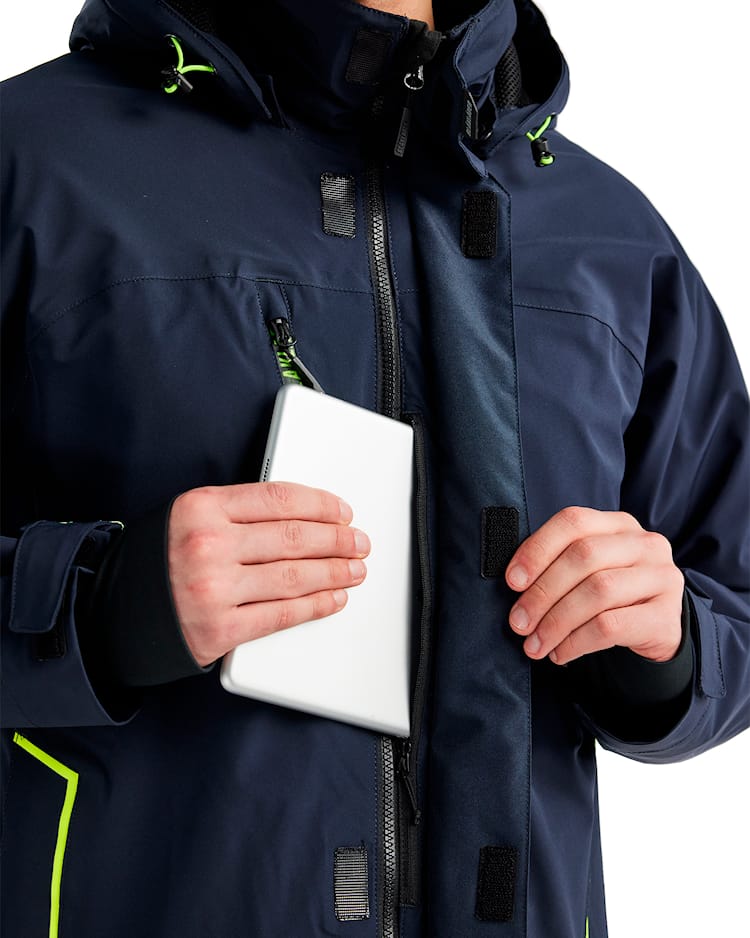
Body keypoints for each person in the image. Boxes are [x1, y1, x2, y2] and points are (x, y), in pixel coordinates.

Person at [1, 0, 748, 936]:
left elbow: (735, 598)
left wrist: (667, 650)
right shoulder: (32, 163)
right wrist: (103, 608)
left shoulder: (613, 235)